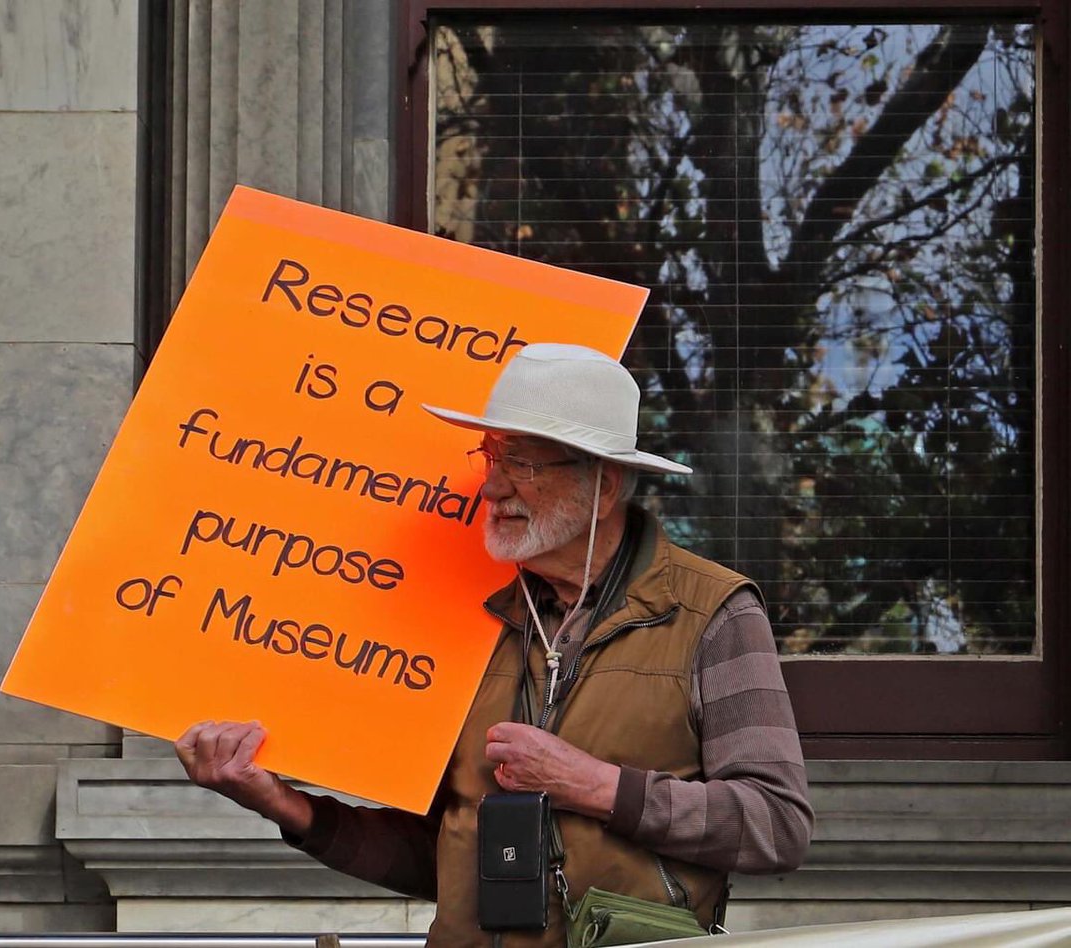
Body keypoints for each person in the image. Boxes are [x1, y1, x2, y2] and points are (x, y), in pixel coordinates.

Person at [176, 343, 813, 945]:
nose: (492, 487)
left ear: (606, 485)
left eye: (523, 464)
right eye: (491, 458)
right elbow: (444, 856)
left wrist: (595, 785)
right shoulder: (468, 621)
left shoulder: (713, 612)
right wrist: (288, 807)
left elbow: (775, 826)